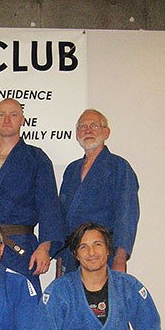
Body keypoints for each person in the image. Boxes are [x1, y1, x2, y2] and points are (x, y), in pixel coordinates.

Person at [0, 98, 63, 293]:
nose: (7, 119)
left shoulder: (36, 158)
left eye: (13, 114)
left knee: (23, 302)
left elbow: (48, 205)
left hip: (20, 246)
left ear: (23, 120)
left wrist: (44, 247)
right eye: (1, 114)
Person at [58, 109, 139, 274]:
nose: (88, 130)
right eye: (83, 127)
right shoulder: (72, 170)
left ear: (106, 132)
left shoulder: (119, 167)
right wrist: (60, 261)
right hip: (72, 254)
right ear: (76, 134)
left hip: (104, 253)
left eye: (94, 126)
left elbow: (126, 215)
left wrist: (120, 259)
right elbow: (63, 219)